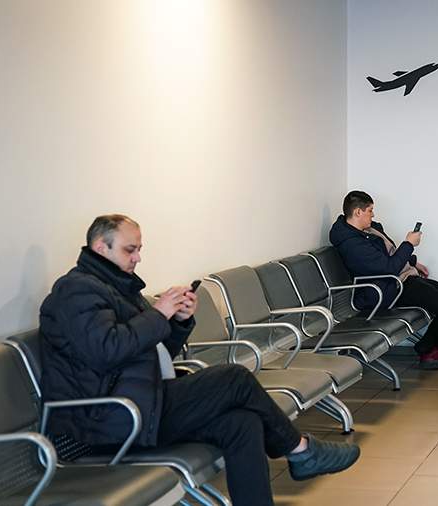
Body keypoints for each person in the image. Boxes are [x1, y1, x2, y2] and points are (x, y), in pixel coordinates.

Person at [39, 214, 359, 506]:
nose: (137, 257)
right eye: (129, 250)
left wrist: (178, 321)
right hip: (109, 419)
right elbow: (107, 351)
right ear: (100, 247)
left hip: (139, 404)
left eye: (139, 249)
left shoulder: (116, 288)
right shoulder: (75, 291)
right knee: (234, 378)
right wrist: (158, 314)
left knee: (242, 424)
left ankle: (295, 461)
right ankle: (300, 450)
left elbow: (151, 352)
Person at [329, 192, 438, 369]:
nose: (373, 215)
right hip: (387, 288)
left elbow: (385, 255)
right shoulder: (352, 244)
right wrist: (409, 244)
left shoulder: (369, 230)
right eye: (370, 210)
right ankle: (435, 351)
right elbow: (388, 267)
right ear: (358, 212)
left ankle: (429, 347)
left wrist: (412, 262)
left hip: (400, 278)